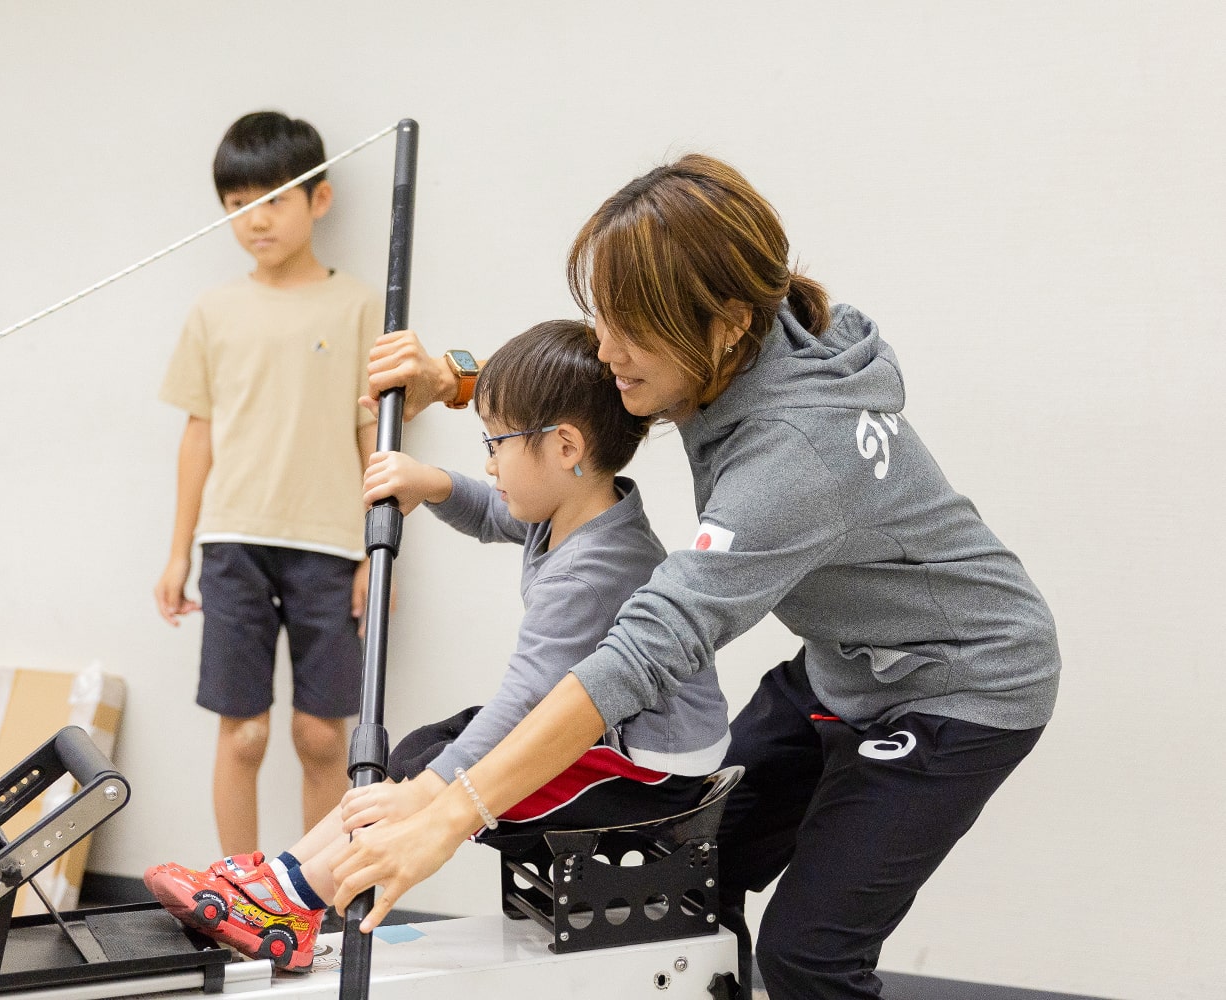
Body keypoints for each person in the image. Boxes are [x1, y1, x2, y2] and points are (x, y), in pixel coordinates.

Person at [331, 154, 1062, 1000]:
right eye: (602, 321)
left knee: (808, 955)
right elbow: (596, 394)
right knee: (691, 872)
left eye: (629, 331)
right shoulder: (761, 326)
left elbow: (643, 651)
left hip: (962, 683)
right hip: (846, 660)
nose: (608, 351)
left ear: (724, 323)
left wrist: (453, 812)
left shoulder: (792, 459)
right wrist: (461, 380)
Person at [143, 319, 731, 971]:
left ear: (564, 446)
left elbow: (525, 702)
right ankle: (285, 875)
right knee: (421, 753)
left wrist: (438, 792)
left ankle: (292, 898)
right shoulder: (574, 509)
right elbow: (490, 510)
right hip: (610, 736)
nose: (488, 462)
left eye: (497, 443)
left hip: (645, 771)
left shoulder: (595, 570)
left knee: (428, 775)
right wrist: (432, 483)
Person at [153, 111, 382, 858]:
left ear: (320, 199)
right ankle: (238, 892)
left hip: (328, 545)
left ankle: (313, 894)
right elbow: (200, 434)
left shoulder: (356, 306)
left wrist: (374, 553)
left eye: (273, 200)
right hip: (231, 546)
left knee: (321, 736)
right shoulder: (214, 311)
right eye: (236, 204)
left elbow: (368, 435)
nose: (255, 220)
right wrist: (178, 551)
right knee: (243, 733)